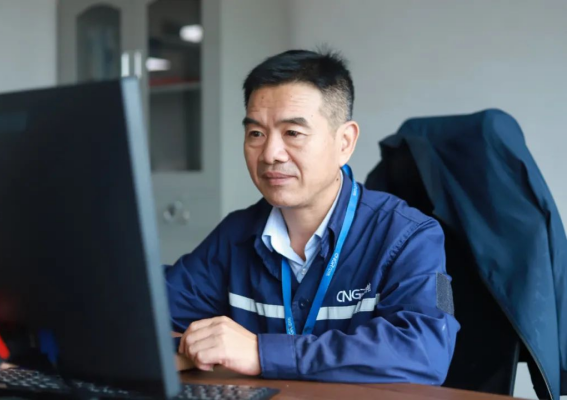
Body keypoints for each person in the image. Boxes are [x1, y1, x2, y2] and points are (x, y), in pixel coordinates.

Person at [165, 49, 459, 384]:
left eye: (293, 133)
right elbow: (149, 313)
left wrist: (261, 353)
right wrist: (186, 350)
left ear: (344, 142)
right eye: (256, 134)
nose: (270, 154)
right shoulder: (235, 235)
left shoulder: (409, 235)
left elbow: (424, 351)